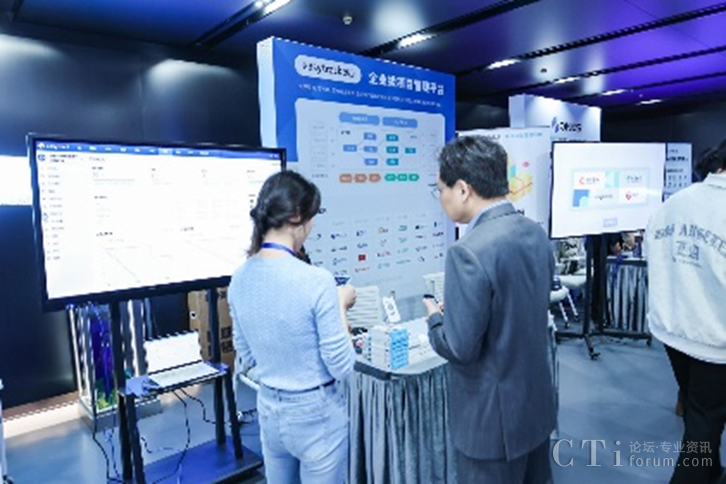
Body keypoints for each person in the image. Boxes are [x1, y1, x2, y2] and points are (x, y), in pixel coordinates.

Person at [422, 136, 556, 483]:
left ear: (463, 189)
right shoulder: (535, 233)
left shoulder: (467, 251)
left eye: (440, 189)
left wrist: (435, 318)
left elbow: (460, 348)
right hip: (536, 407)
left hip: (492, 424)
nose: (440, 198)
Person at [228, 170, 357, 484]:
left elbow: (246, 355)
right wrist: (341, 305)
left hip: (269, 410)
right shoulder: (317, 281)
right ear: (297, 217)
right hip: (317, 414)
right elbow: (342, 366)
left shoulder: (239, 278)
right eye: (311, 217)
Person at [646, 140, 726, 484]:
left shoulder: (674, 203)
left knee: (700, 411)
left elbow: (654, 261)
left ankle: (711, 472)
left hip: (673, 330)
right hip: (715, 341)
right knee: (704, 422)